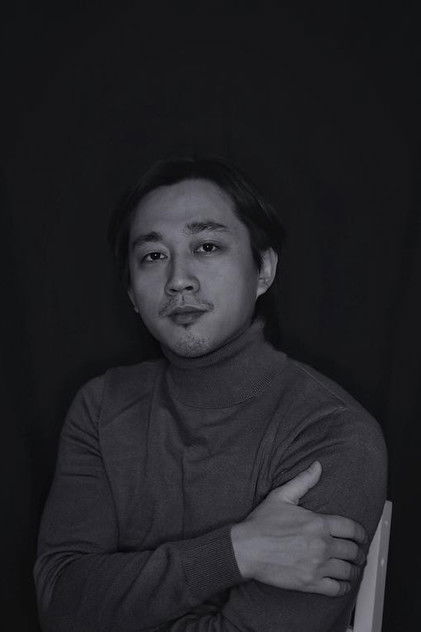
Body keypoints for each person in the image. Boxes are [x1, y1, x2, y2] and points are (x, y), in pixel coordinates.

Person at [33, 156, 387, 631]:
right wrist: (237, 552)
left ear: (263, 270)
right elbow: (61, 602)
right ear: (132, 294)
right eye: (153, 256)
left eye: (206, 246)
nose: (178, 279)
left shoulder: (333, 433)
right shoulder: (101, 407)